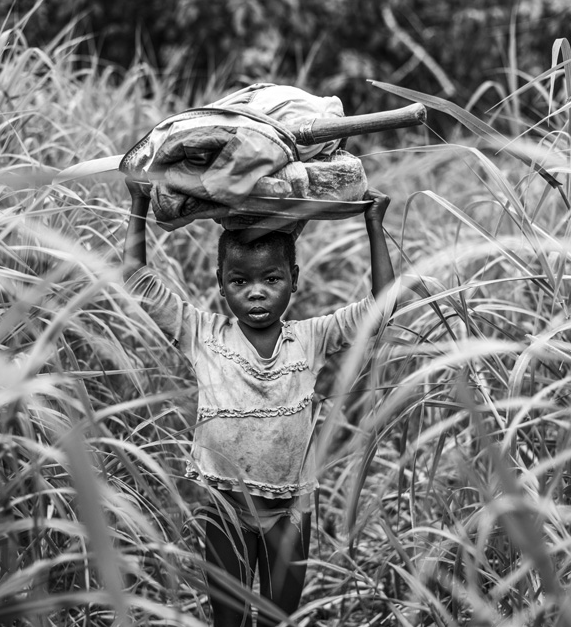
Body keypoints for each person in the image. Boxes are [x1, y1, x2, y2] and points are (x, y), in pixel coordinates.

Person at [122, 180, 396, 627]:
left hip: (289, 514)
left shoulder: (311, 338)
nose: (256, 292)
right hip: (225, 511)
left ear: (294, 279)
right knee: (228, 620)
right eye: (240, 280)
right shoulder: (202, 334)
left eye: (271, 279)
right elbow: (137, 281)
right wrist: (138, 201)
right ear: (220, 284)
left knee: (278, 620)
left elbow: (382, 307)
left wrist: (373, 222)